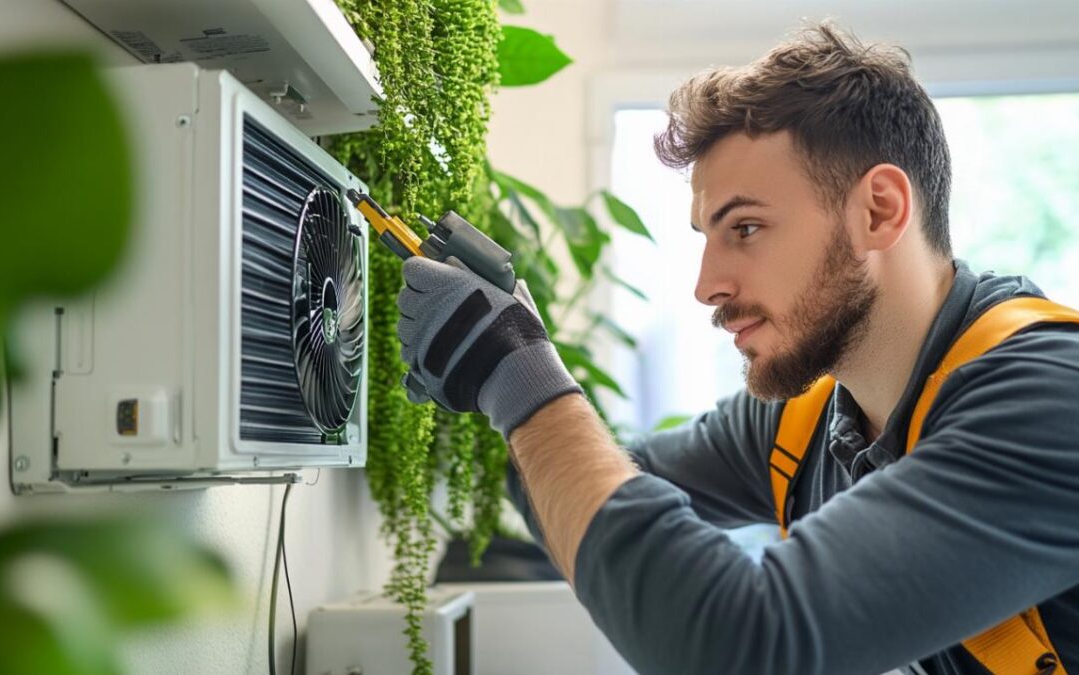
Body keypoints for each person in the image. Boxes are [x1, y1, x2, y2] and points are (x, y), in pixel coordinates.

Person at [395, 22, 1079, 675]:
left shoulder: (1049, 401)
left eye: (745, 228)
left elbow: (741, 644)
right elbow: (594, 481)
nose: (707, 286)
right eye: (708, 237)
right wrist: (498, 359)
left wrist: (520, 373)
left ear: (879, 210)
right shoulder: (803, 426)